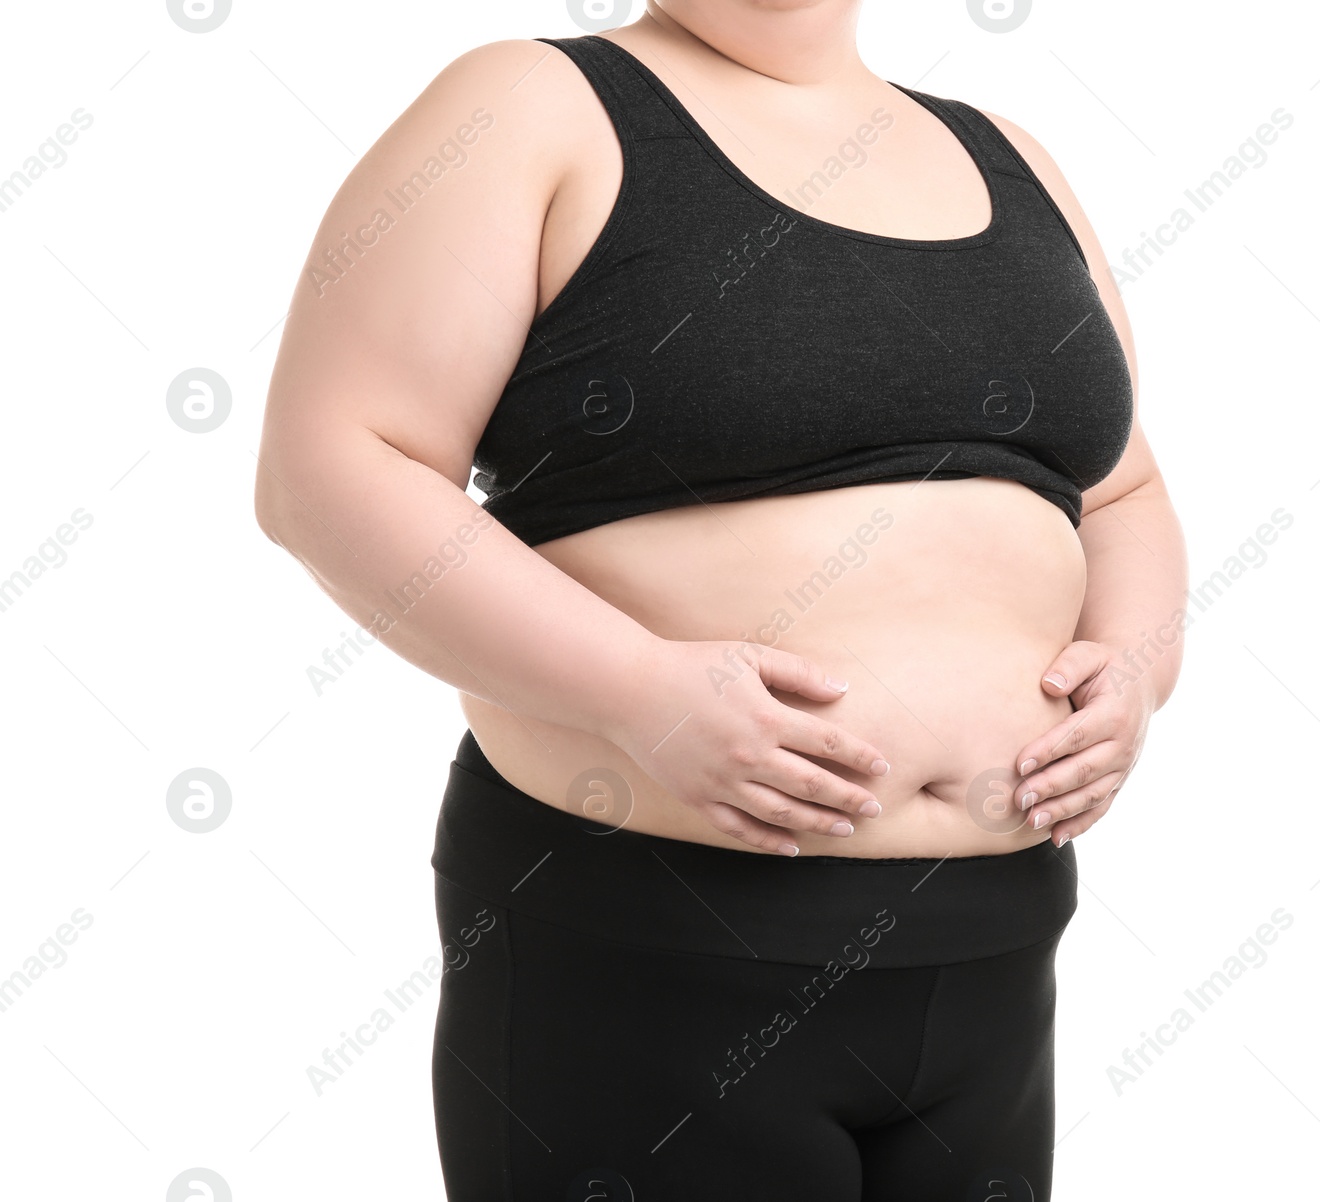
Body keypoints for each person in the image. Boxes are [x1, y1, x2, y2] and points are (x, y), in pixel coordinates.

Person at [254, 2, 1187, 1197]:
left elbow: (1120, 492)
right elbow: (329, 470)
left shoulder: (1010, 154)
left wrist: (1133, 661)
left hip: (994, 947)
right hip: (652, 938)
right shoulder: (530, 108)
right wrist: (637, 690)